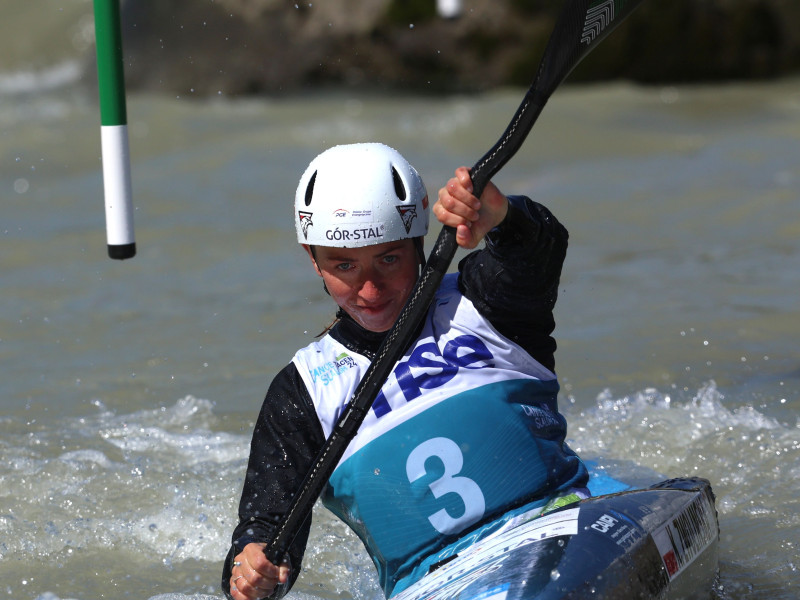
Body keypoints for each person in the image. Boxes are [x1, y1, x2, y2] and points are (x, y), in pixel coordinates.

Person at [221, 143, 588, 600]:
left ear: (419, 243)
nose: (369, 288)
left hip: (559, 527)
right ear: (312, 259)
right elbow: (267, 530)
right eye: (344, 265)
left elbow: (537, 249)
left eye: (389, 259)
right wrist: (251, 568)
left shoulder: (486, 303)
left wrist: (503, 215)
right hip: (435, 586)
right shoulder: (302, 393)